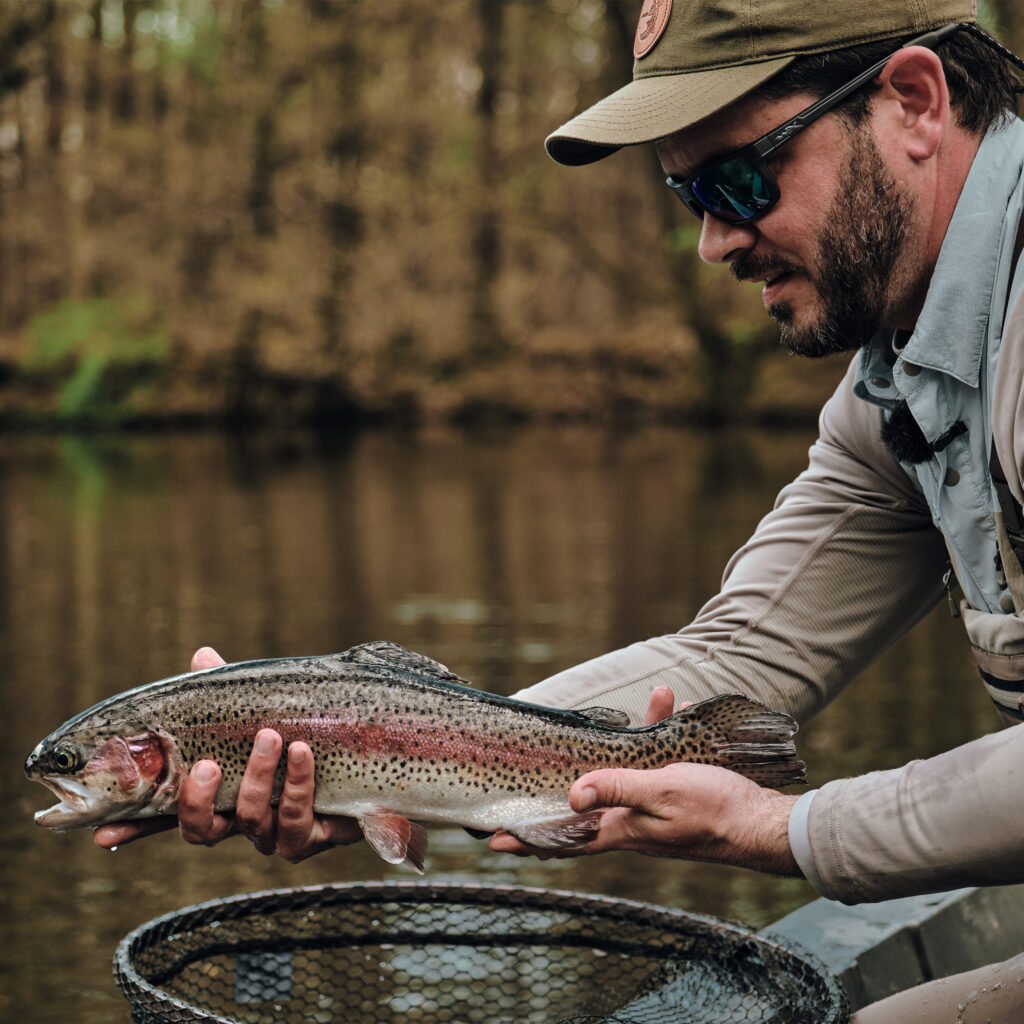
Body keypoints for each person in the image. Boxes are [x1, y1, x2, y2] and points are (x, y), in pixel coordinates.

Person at [94, 1, 1024, 1018]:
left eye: (738, 179)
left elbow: (768, 771)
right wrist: (385, 753)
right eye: (686, 196)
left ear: (912, 102)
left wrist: (781, 827)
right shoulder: (895, 383)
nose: (714, 241)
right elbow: (743, 654)